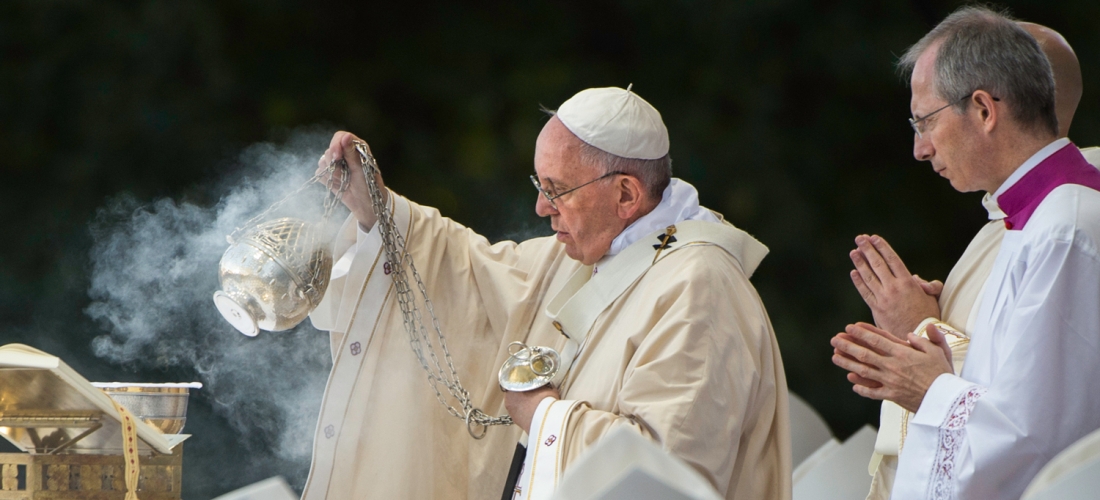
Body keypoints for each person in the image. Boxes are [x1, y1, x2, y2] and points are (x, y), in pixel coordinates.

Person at [302, 86, 791, 500]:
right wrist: (379, 212)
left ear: (625, 195)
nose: (540, 207)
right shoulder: (584, 256)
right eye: (540, 184)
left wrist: (544, 416)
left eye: (557, 190)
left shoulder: (700, 287)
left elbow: (668, 475)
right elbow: (465, 274)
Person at [831, 6, 1100, 499]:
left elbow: (1039, 439)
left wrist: (928, 387)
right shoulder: (1030, 218)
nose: (920, 148)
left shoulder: (1066, 229)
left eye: (925, 121)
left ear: (983, 109)